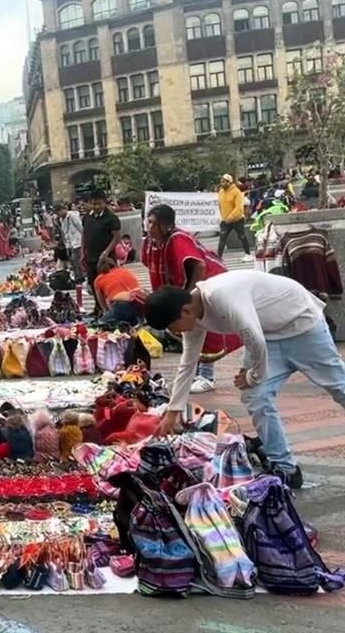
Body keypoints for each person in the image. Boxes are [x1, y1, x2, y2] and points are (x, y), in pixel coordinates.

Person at [144, 271, 345, 490]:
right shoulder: (192, 315)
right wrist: (173, 411)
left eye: (173, 327)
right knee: (256, 397)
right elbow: (188, 362)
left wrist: (252, 375)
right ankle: (285, 467)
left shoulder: (221, 296)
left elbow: (254, 339)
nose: (175, 333)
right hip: (268, 336)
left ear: (185, 311)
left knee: (339, 386)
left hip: (302, 327)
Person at [142, 203, 241, 394]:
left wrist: (187, 297)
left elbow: (199, 267)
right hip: (184, 291)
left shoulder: (178, 239)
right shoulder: (152, 242)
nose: (150, 227)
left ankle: (206, 376)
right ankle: (192, 375)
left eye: (154, 223)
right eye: (149, 222)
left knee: (204, 329)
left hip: (206, 284)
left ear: (167, 225)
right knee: (189, 332)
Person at [82, 189, 121, 315]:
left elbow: (117, 237)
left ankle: (111, 310)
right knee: (94, 284)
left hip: (106, 258)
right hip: (90, 257)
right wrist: (83, 253)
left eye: (99, 203)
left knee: (108, 283)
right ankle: (98, 308)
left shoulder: (111, 218)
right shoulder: (87, 217)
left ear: (105, 203)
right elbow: (84, 235)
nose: (96, 206)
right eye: (94, 204)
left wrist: (106, 252)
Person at [93, 257, 142, 326]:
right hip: (140, 304)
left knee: (98, 325)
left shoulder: (99, 279)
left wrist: (108, 312)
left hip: (122, 306)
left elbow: (102, 303)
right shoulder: (124, 271)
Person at [217, 174, 253, 261]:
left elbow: (238, 208)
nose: (222, 183)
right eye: (221, 181)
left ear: (229, 182)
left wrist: (231, 217)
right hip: (225, 221)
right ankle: (218, 258)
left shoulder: (236, 192)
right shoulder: (221, 192)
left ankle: (248, 254)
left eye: (224, 181)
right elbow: (220, 205)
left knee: (242, 236)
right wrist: (222, 217)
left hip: (237, 219)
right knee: (222, 238)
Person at [53, 203, 84, 282]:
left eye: (58, 213)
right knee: (72, 261)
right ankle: (76, 276)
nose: (58, 215)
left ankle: (80, 277)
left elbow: (80, 227)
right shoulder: (61, 220)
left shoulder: (72, 216)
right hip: (68, 244)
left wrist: (84, 240)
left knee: (76, 260)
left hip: (76, 242)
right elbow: (63, 232)